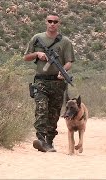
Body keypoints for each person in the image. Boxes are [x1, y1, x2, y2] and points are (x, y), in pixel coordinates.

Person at [23, 12, 75, 152]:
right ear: (46, 22)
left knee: (54, 113)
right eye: (50, 21)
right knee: (41, 109)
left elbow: (70, 61)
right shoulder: (37, 38)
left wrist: (62, 70)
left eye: (55, 22)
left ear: (59, 24)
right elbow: (26, 57)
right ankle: (40, 139)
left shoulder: (65, 42)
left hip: (57, 83)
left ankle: (49, 141)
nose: (52, 24)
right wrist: (37, 54)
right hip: (41, 81)